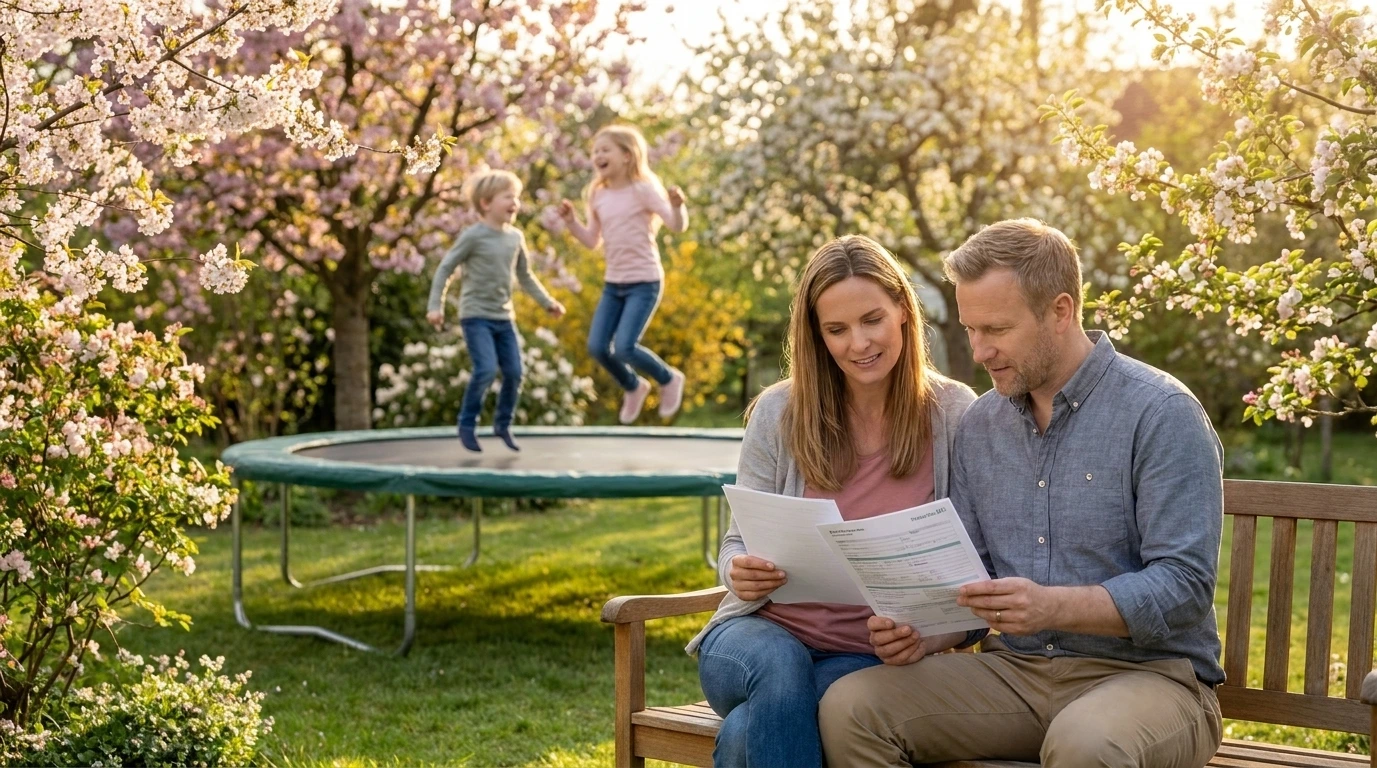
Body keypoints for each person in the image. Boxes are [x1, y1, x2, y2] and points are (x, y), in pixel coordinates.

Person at [819, 218, 1225, 767]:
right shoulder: (981, 424)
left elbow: (1184, 587)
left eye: (998, 330)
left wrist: (1051, 606)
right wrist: (926, 634)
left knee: (1085, 744)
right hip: (1015, 674)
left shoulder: (1160, 413)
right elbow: (969, 576)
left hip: (1152, 679)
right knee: (851, 707)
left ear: (1060, 311)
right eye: (970, 330)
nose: (980, 351)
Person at [684, 235, 977, 768]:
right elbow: (736, 543)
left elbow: (976, 565)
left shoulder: (954, 413)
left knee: (751, 731)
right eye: (837, 330)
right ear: (816, 336)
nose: (859, 343)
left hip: (863, 655)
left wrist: (931, 640)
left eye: (872, 320)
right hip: (753, 637)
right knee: (781, 666)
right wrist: (738, 570)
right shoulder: (779, 412)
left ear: (903, 314)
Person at [557, 124, 689, 424]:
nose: (598, 156)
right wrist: (571, 222)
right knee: (598, 347)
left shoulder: (643, 189)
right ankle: (634, 386)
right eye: (595, 151)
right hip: (613, 284)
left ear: (628, 156)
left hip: (644, 281)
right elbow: (592, 240)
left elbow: (676, 225)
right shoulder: (597, 194)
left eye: (605, 150)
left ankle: (668, 379)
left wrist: (678, 207)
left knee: (625, 347)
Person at [427, 170, 565, 453]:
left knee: (515, 372)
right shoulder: (473, 236)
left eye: (516, 196)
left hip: (504, 318)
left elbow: (525, 276)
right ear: (486, 203)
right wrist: (435, 306)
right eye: (508, 197)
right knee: (487, 369)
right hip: (475, 316)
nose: (515, 202)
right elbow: (446, 268)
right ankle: (467, 424)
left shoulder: (515, 237)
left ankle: (502, 424)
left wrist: (548, 302)